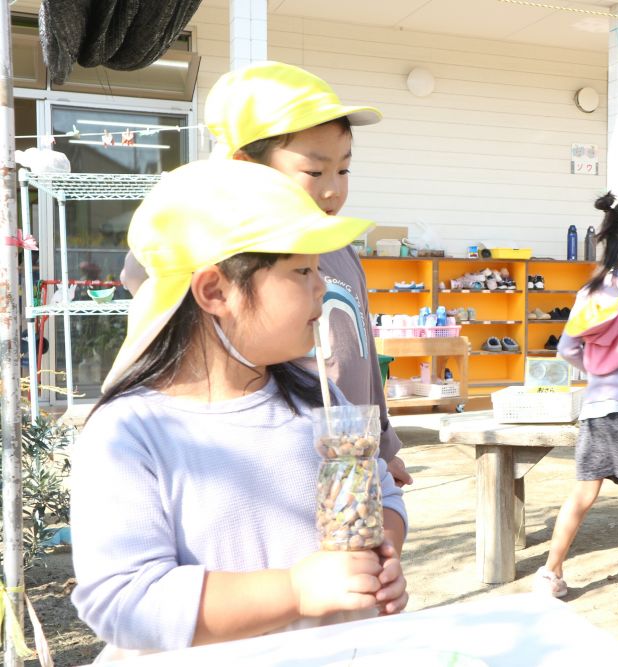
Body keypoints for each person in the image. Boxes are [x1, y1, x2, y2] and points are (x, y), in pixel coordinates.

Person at [72, 160, 408, 658]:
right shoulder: (129, 432)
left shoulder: (320, 400)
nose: (322, 288)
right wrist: (296, 590)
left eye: (319, 269)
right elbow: (125, 601)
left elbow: (383, 495)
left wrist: (378, 559)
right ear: (215, 291)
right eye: (301, 271)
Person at [120, 61, 412, 490]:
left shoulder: (342, 248)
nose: (334, 189)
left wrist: (386, 448)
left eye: (344, 169)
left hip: (349, 451)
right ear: (244, 166)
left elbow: (363, 356)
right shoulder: (227, 251)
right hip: (271, 460)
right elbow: (142, 272)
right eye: (314, 172)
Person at [533, 192, 618, 597]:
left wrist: (598, 373)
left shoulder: (591, 292)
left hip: (599, 409)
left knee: (583, 491)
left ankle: (551, 571)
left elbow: (567, 349)